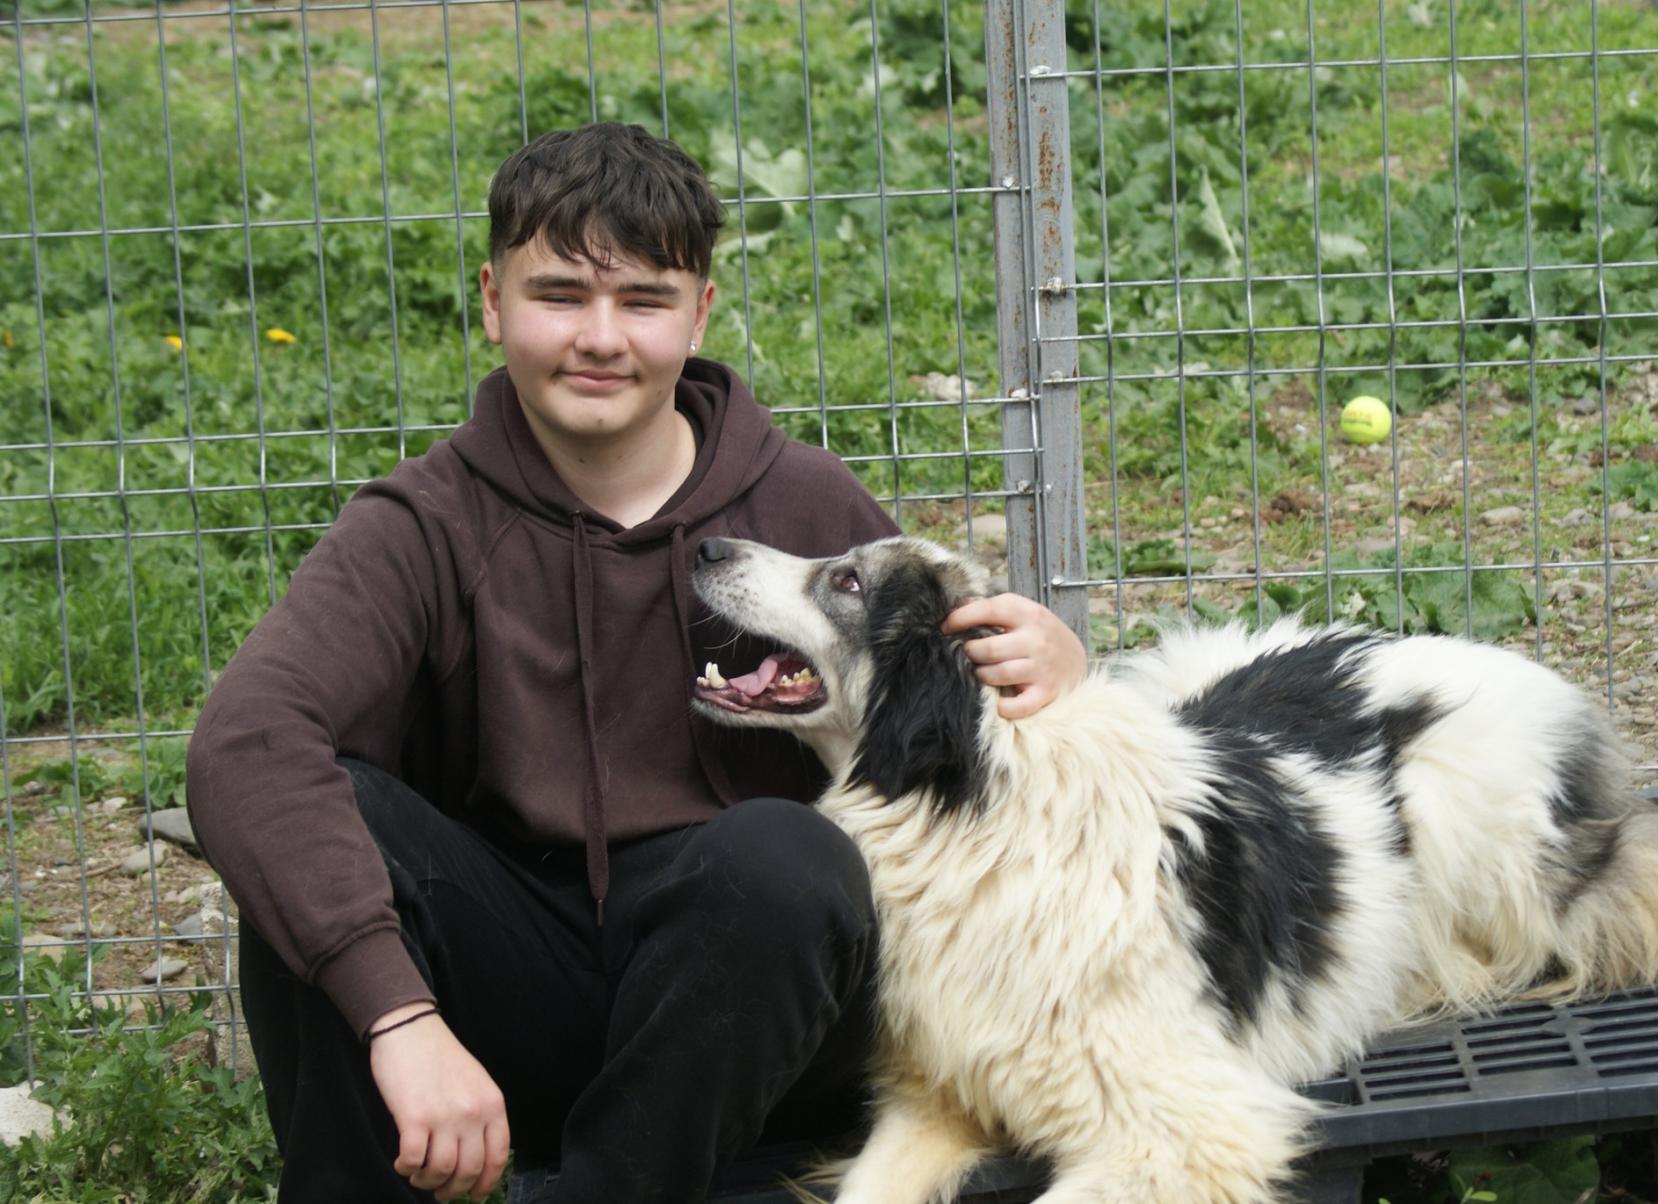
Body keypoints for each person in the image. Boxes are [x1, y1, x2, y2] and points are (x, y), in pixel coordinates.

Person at [185, 121, 1086, 1204]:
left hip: (754, 1022)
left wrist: (1057, 679)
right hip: (510, 1009)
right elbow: (247, 740)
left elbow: (967, 752)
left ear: (699, 314)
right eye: (560, 294)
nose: (600, 338)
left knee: (786, 858)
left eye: (644, 301)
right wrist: (399, 1015)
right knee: (317, 824)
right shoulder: (422, 525)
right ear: (492, 301)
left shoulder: (804, 508)